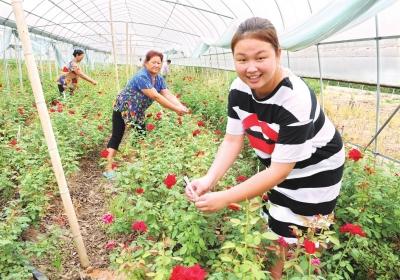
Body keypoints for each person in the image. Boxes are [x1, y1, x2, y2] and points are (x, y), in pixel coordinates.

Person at [185, 17, 344, 279]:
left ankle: (300, 270)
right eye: (241, 59)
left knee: (305, 233)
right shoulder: (238, 89)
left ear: (278, 54)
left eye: (260, 57)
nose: (251, 68)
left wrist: (225, 198)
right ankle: (274, 270)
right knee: (277, 225)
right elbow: (232, 139)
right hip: (280, 164)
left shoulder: (295, 98)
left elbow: (280, 172)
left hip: (318, 168)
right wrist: (209, 179)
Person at [103, 50, 189, 179]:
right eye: (153, 62)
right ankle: (108, 169)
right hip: (123, 108)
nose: (156, 65)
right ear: (146, 63)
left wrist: (180, 105)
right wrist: (176, 109)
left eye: (159, 63)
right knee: (117, 136)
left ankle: (138, 165)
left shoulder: (158, 78)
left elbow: (167, 93)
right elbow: (156, 96)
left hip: (137, 112)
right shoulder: (141, 77)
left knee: (141, 136)